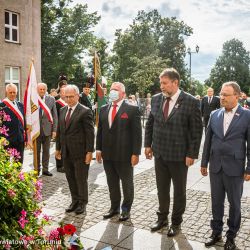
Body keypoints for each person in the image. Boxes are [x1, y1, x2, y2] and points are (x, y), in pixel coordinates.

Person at [144, 68, 203, 236]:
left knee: (179, 191)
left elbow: (196, 131)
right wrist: (147, 144)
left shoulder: (190, 101)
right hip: (160, 153)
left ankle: (176, 222)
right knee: (162, 189)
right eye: (160, 83)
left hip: (179, 156)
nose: (161, 86)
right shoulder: (156, 99)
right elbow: (150, 123)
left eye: (164, 83)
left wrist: (192, 154)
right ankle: (162, 218)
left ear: (175, 82)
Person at [201, 81, 250, 250]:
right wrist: (204, 162)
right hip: (215, 166)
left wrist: (249, 168)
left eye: (226, 95)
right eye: (221, 94)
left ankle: (231, 236)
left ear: (237, 96)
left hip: (235, 168)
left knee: (235, 203)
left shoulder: (247, 115)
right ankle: (216, 232)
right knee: (216, 202)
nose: (222, 97)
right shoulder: (214, 114)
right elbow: (208, 140)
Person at [96, 82, 142, 221]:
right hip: (108, 155)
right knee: (112, 183)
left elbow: (137, 134)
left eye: (115, 90)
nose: (112, 92)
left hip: (125, 155)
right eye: (111, 90)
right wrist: (98, 149)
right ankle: (114, 207)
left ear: (123, 93)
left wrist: (136, 153)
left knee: (127, 183)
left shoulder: (132, 109)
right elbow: (101, 131)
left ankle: (126, 209)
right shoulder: (103, 109)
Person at [55, 85, 94, 215]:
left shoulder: (85, 111)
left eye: (71, 96)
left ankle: (82, 202)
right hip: (66, 151)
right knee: (70, 177)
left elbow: (90, 133)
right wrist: (58, 148)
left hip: (80, 152)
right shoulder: (62, 110)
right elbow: (60, 131)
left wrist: (89, 152)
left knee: (81, 178)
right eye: (66, 97)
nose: (69, 99)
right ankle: (74, 200)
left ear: (77, 96)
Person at [0, 84, 26, 163]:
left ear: (16, 93)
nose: (12, 94)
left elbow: (24, 123)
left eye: (14, 92)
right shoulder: (1, 106)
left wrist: (26, 138)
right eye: (10, 92)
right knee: (5, 163)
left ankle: (17, 175)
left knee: (19, 163)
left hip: (19, 139)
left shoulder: (20, 105)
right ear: (6, 92)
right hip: (7, 140)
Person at [36, 82, 58, 176]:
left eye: (43, 89)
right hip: (36, 130)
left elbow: (55, 115)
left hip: (48, 130)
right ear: (37, 90)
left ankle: (45, 169)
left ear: (46, 89)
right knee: (36, 152)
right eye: (40, 89)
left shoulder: (51, 99)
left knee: (46, 151)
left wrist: (54, 130)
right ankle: (36, 169)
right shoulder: (33, 99)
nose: (42, 91)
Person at [55, 87, 67, 173]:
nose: (65, 94)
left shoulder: (68, 103)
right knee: (59, 146)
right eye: (63, 92)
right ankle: (59, 165)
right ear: (60, 93)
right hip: (60, 127)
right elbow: (55, 117)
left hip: (68, 128)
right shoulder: (57, 103)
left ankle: (65, 164)